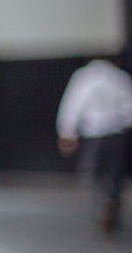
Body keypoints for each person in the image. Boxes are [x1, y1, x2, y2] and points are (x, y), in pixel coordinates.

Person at [56, 58, 132, 234]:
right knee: (115, 174)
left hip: (94, 136)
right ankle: (111, 201)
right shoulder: (120, 78)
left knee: (92, 172)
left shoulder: (84, 78)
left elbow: (73, 105)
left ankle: (102, 202)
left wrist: (67, 132)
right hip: (116, 134)